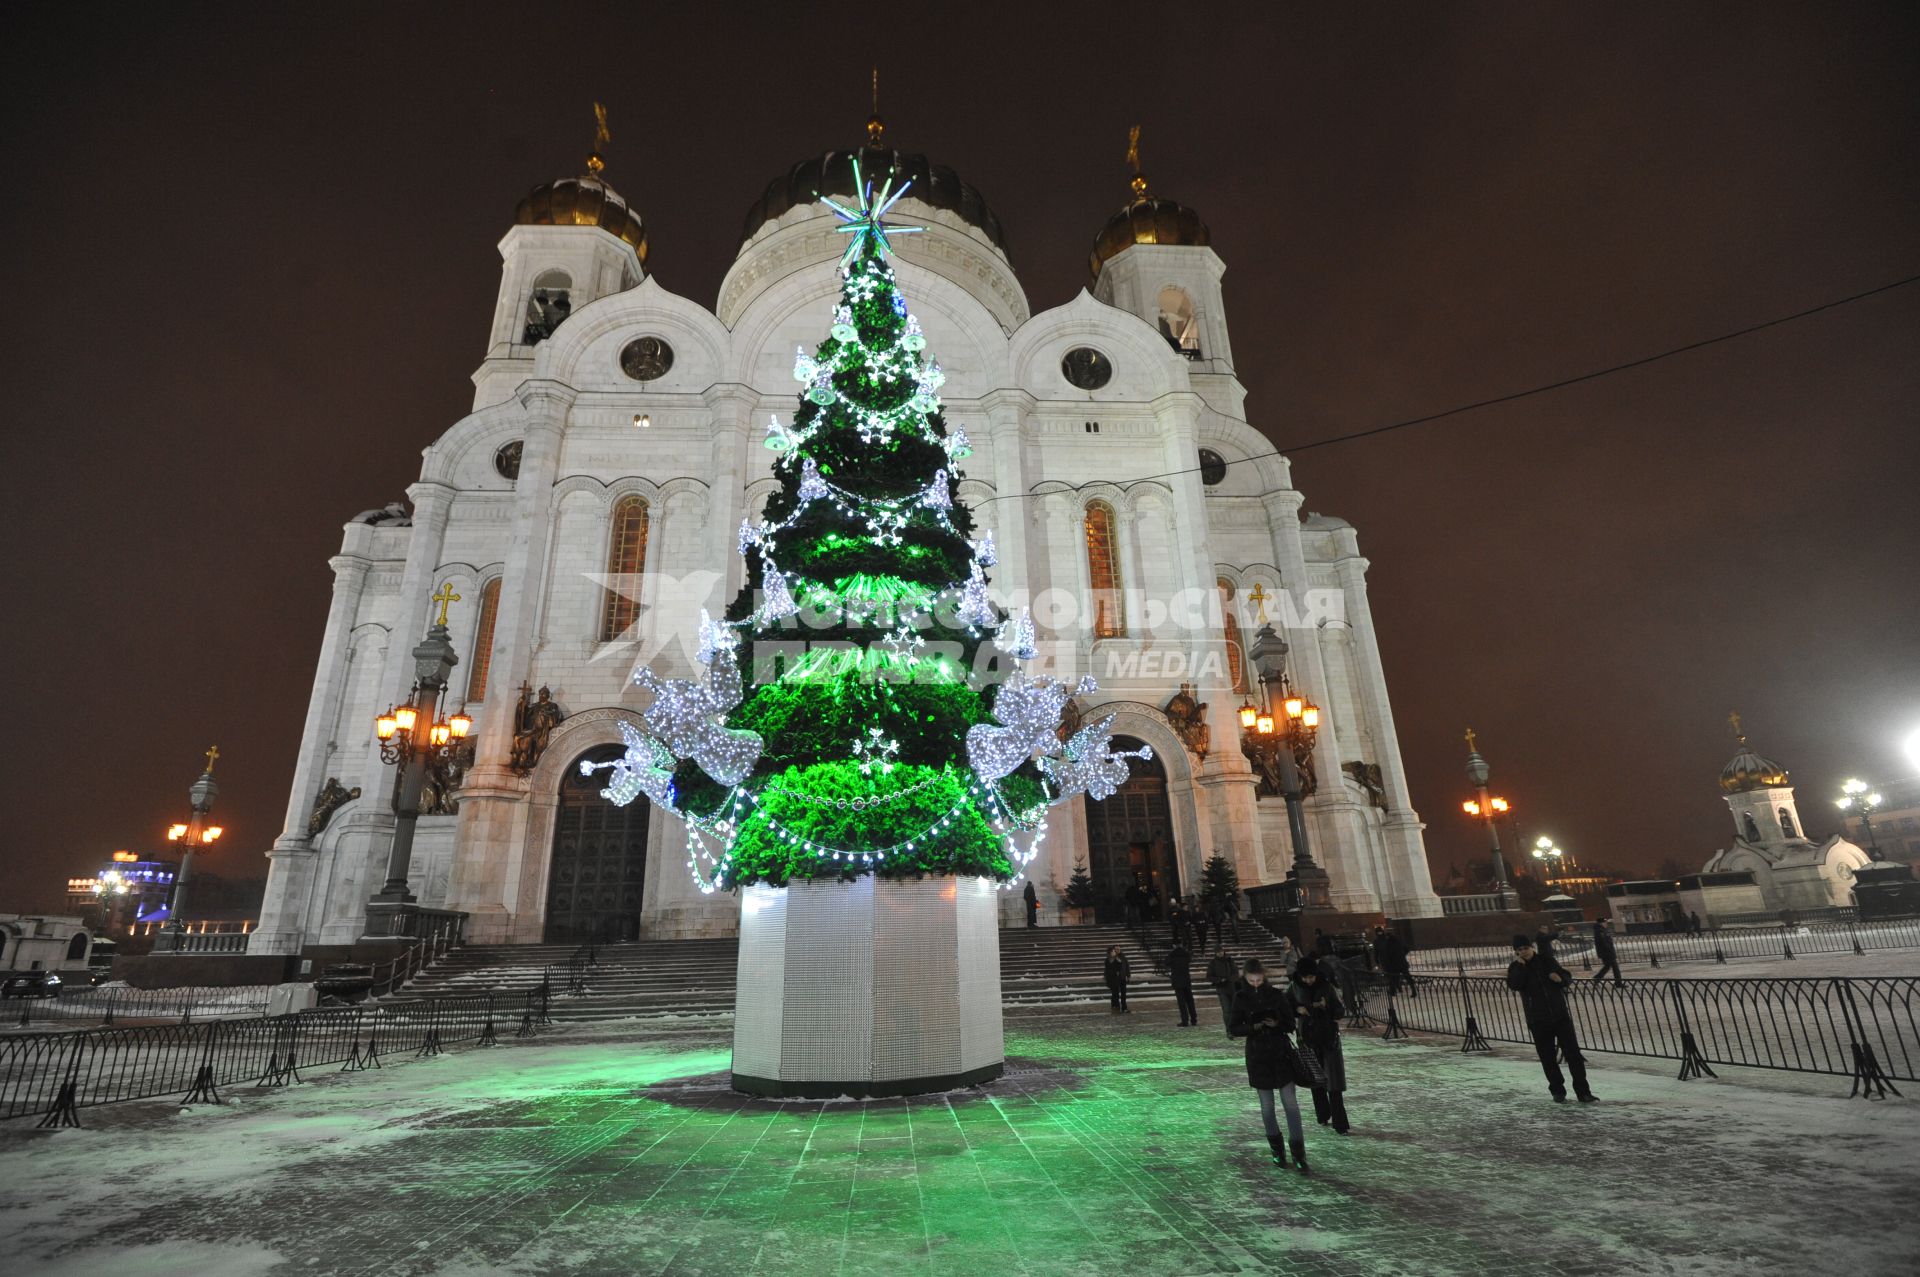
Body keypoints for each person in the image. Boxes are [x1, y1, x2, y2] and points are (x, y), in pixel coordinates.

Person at [1229, 958, 1310, 1171]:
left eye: (1258, 979)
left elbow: (1290, 1023)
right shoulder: (1240, 997)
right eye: (1251, 980)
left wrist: (1277, 1024)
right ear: (1245, 978)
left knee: (1291, 1105)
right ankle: (1277, 1151)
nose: (1255, 983)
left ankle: (1299, 1154)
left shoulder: (1276, 995)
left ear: (1264, 977)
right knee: (1267, 1108)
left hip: (1280, 1054)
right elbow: (1233, 1028)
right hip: (1258, 1057)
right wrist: (1253, 1026)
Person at [1507, 934, 1597, 1103]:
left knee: (1574, 1055)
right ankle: (1557, 1091)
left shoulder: (1546, 960)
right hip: (1537, 1019)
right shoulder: (1515, 967)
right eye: (1519, 950)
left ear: (1531, 947)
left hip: (1559, 1015)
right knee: (1548, 1058)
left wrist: (1561, 979)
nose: (1523, 952)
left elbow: (1566, 977)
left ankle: (1583, 1091)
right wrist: (1521, 968)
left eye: (1525, 948)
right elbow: (1514, 984)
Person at [1290, 956, 1349, 1134]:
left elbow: (1340, 1011)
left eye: (1311, 977)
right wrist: (1297, 1010)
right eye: (1305, 977)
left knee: (1334, 1082)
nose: (1308, 980)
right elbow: (1284, 1007)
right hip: (1307, 1039)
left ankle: (1340, 1123)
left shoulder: (1327, 987)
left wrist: (1326, 1007)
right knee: (1315, 1078)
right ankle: (1322, 1114)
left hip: (1328, 1037)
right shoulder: (1294, 988)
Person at [1206, 945, 1238, 1035]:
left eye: (1221, 951)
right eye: (1218, 951)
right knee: (1226, 1010)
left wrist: (1229, 978)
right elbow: (1209, 976)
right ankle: (1229, 1030)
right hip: (1222, 989)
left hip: (1232, 988)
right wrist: (1219, 980)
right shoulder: (1212, 963)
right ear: (1215, 953)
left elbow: (1236, 973)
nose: (1220, 953)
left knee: (1234, 1010)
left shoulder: (1229, 960)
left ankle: (1234, 1027)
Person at [1167, 939, 1198, 1027]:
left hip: (1177, 981)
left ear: (1174, 945)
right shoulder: (1186, 954)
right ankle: (1194, 1019)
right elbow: (1189, 960)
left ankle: (1185, 1020)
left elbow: (1166, 963)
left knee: (1182, 1002)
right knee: (1190, 1001)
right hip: (1186, 980)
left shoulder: (1172, 955)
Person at [1591, 918, 1623, 987]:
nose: (1606, 924)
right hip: (1607, 953)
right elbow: (1603, 943)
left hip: (1607, 952)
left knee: (1607, 966)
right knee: (1615, 967)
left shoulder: (1603, 930)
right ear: (1601, 923)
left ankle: (1597, 978)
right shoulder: (1599, 931)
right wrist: (1610, 951)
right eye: (1605, 922)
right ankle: (1618, 983)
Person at [1104, 944, 1131, 1013]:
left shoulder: (1122, 957)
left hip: (1122, 978)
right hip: (1114, 979)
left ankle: (1124, 1007)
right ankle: (1116, 1006)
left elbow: (1126, 966)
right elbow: (1107, 970)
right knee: (1115, 994)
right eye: (1116, 949)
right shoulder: (1109, 959)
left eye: (1119, 949)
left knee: (1123, 994)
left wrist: (1128, 975)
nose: (1117, 950)